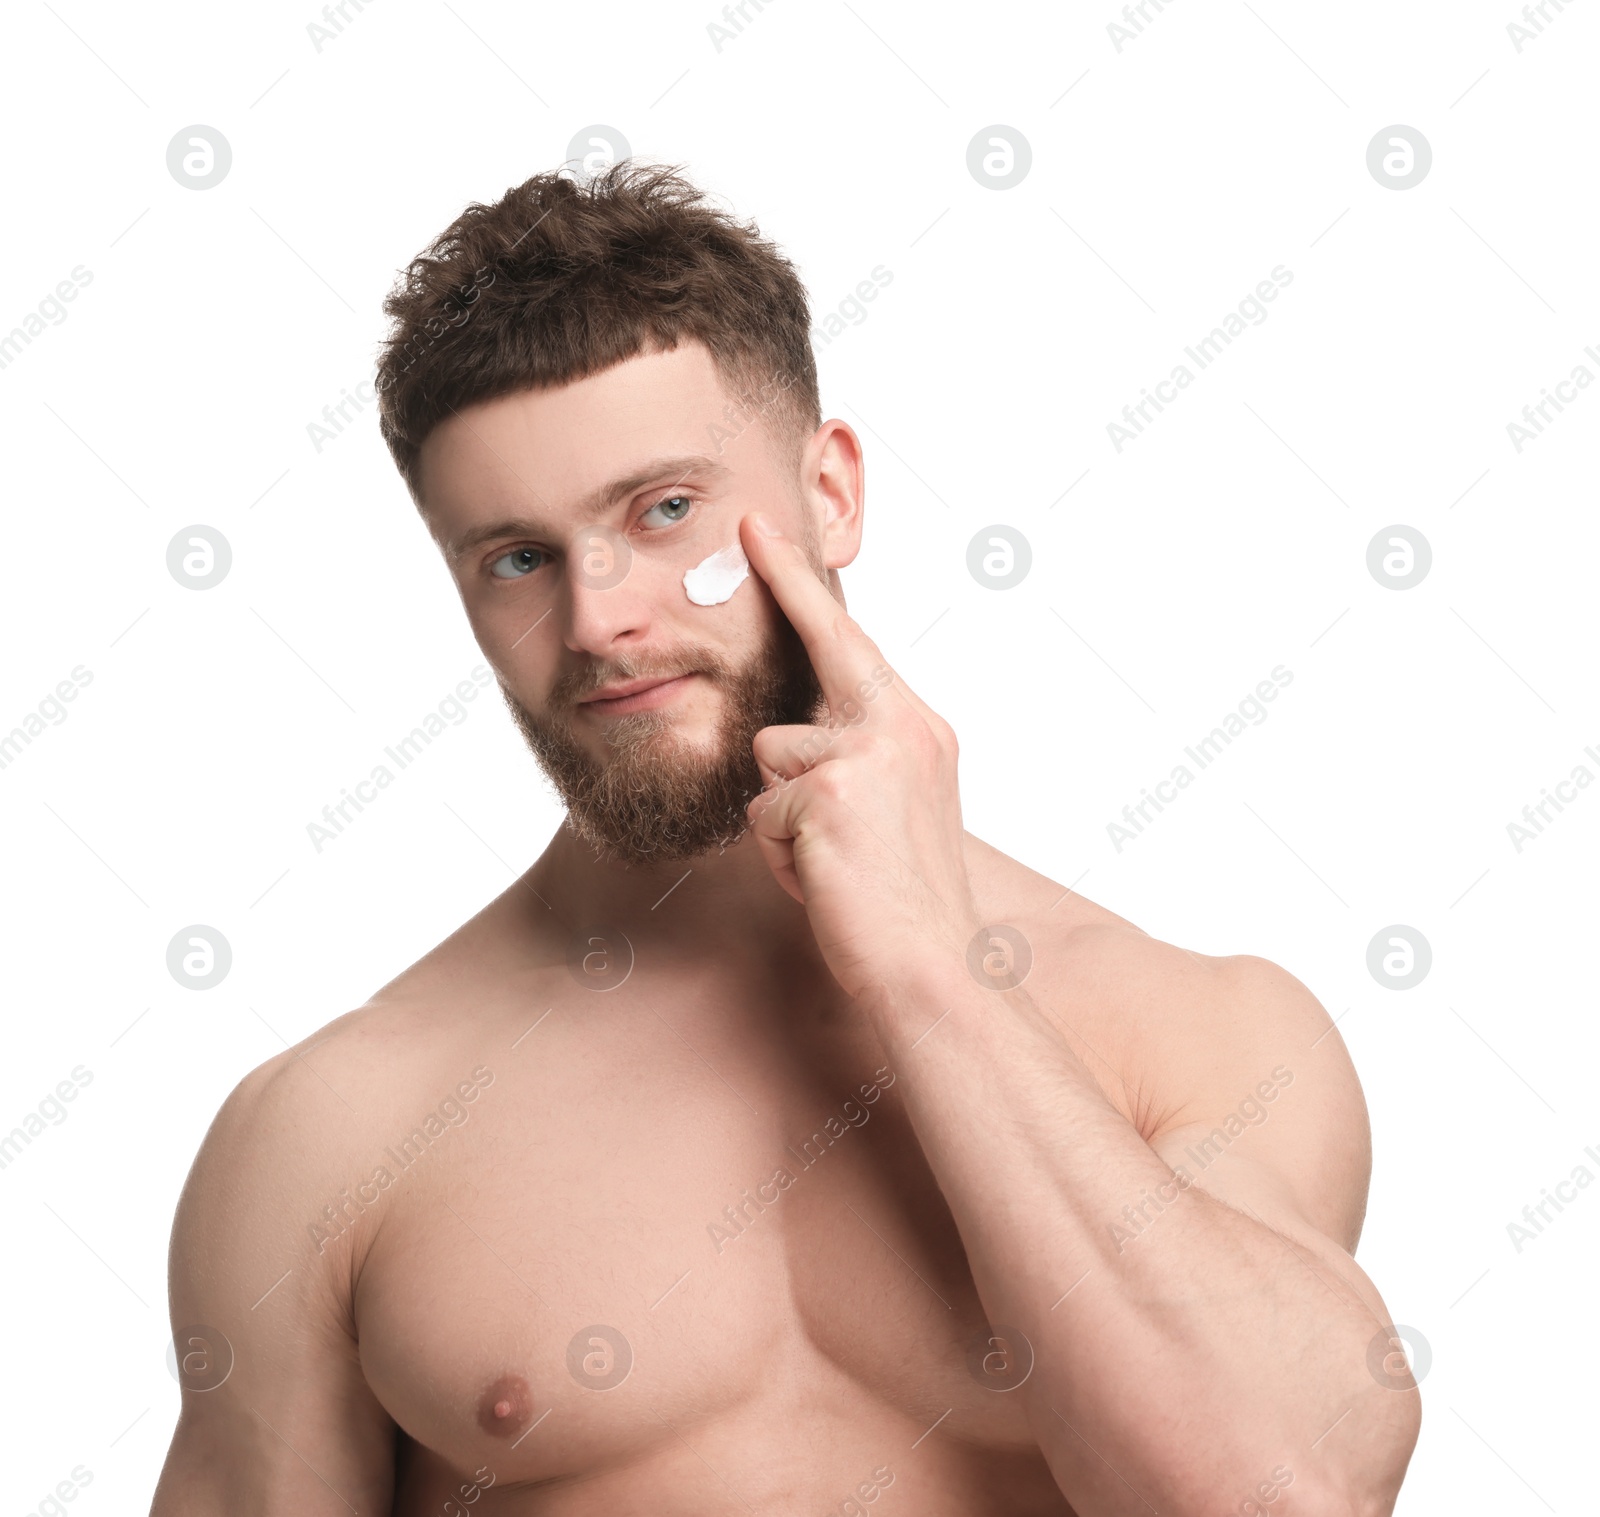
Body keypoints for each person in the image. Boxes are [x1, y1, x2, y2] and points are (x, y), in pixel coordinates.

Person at [152, 162, 1419, 1515]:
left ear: (832, 495)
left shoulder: (1197, 1035)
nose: (597, 621)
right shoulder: (336, 1129)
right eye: (517, 557)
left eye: (662, 511)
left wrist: (930, 970)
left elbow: (1277, 1496)